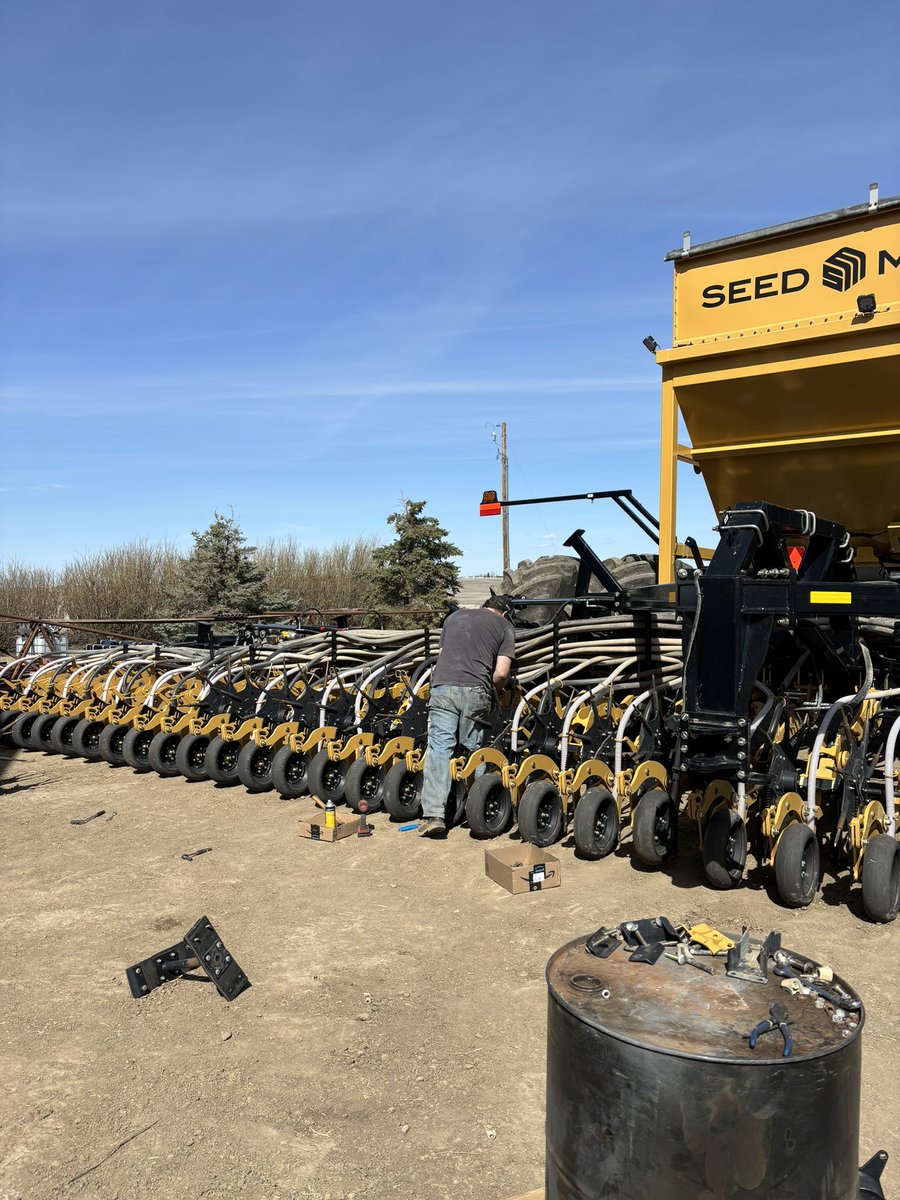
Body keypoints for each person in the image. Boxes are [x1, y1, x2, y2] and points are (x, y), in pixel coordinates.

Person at [417, 595, 515, 838]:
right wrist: (494, 689)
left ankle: (433, 815)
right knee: (474, 748)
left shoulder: (453, 618)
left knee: (439, 748)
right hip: (475, 689)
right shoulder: (505, 626)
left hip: (442, 685)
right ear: (504, 613)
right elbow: (502, 671)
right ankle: (477, 810)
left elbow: (442, 655)